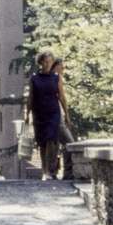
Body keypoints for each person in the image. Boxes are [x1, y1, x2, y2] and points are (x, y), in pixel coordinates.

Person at [26, 49, 69, 181]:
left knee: (51, 139)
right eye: (46, 62)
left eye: (50, 62)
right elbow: (30, 97)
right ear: (41, 62)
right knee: (42, 142)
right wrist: (27, 114)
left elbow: (62, 97)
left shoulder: (56, 78)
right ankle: (44, 170)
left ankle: (49, 171)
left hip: (53, 112)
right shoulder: (34, 78)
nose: (48, 64)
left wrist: (66, 114)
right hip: (39, 112)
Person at [49, 58, 74, 180]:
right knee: (70, 143)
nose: (63, 70)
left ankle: (51, 172)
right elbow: (63, 98)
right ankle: (68, 172)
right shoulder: (56, 78)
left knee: (54, 144)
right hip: (56, 114)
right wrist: (67, 116)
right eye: (62, 67)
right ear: (56, 67)